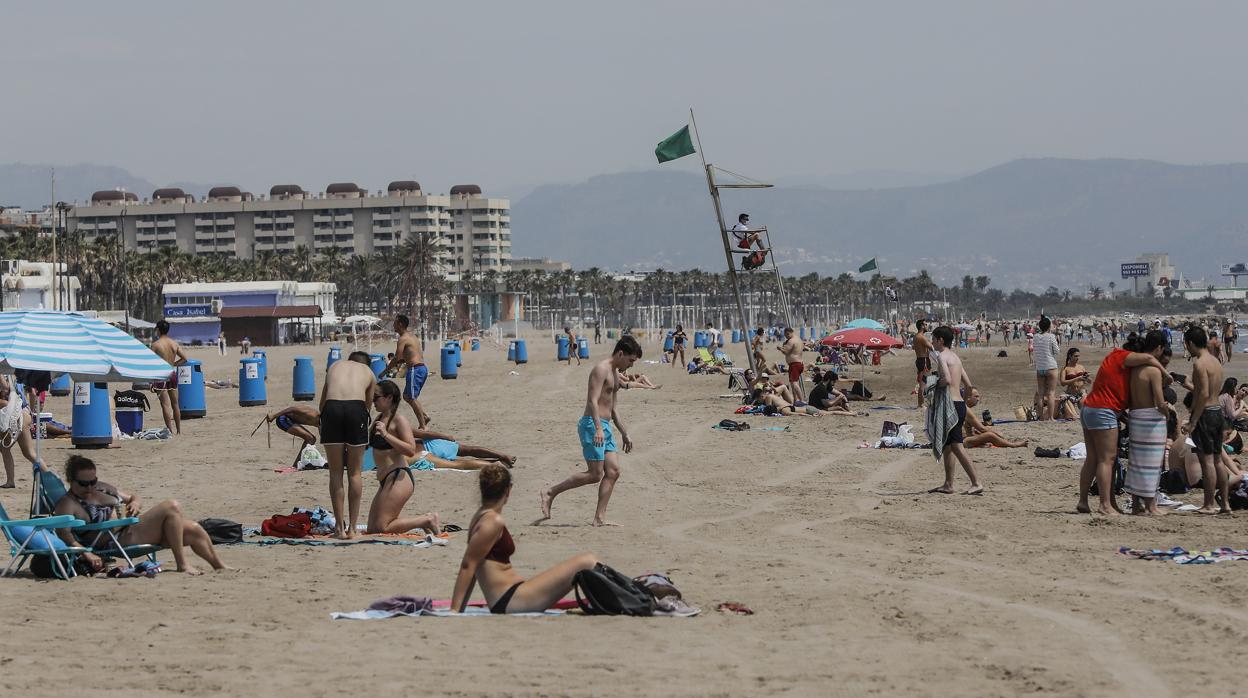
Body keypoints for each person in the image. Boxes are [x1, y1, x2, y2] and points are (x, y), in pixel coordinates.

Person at [453, 465, 599, 614]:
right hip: (510, 600)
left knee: (588, 562)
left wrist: (460, 608)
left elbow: (472, 566)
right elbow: (468, 565)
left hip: (511, 596)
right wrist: (455, 610)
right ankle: (619, 602)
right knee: (587, 561)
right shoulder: (492, 521)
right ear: (508, 490)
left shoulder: (480, 516)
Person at [52, 455, 228, 575]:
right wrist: (87, 554)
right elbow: (64, 534)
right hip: (116, 540)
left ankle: (219, 566)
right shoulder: (68, 503)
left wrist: (135, 503)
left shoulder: (101, 488)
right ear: (71, 480)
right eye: (84, 484)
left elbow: (133, 497)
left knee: (193, 529)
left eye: (93, 481)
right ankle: (182, 564)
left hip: (131, 529)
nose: (90, 488)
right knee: (171, 506)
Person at [539, 336, 640, 526]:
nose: (631, 365)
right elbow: (592, 401)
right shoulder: (601, 369)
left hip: (605, 427)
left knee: (613, 471)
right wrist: (599, 429)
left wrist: (624, 433)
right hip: (592, 425)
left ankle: (599, 518)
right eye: (631, 360)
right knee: (595, 474)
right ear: (620, 353)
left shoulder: (615, 373)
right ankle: (551, 491)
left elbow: (613, 408)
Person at [1076, 331, 1168, 515]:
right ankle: (1104, 505)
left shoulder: (1113, 358)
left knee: (1094, 458)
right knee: (1107, 459)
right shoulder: (1123, 356)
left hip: (1090, 409)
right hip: (1103, 410)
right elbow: (1149, 358)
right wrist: (1166, 374)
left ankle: (1084, 501)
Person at [365, 380, 442, 535]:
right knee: (373, 528)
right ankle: (425, 522)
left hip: (399, 476)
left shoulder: (399, 420)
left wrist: (386, 435)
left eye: (376, 397)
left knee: (382, 527)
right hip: (385, 479)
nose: (373, 401)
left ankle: (427, 520)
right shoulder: (379, 419)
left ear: (389, 398)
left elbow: (410, 449)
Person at [318, 350, 377, 538]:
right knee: (355, 472)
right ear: (366, 364)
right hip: (356, 409)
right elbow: (368, 407)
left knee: (335, 472)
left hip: (332, 408)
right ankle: (352, 529)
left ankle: (338, 529)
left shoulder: (334, 366)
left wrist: (325, 424)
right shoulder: (369, 373)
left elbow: (322, 404)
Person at [927, 326, 983, 495]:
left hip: (948, 405)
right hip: (958, 404)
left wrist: (932, 384)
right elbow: (968, 385)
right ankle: (948, 484)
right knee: (948, 445)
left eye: (934, 339)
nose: (932, 342)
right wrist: (964, 403)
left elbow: (947, 379)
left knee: (957, 446)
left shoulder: (941, 356)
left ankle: (976, 482)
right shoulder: (956, 358)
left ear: (941, 340)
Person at [1183, 326, 1228, 513]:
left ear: (1191, 343)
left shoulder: (1200, 363)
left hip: (1206, 413)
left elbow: (1202, 394)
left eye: (1187, 344)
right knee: (1218, 460)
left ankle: (1209, 504)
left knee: (1207, 461)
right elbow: (1209, 391)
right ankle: (1224, 504)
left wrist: (1193, 420)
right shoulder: (1216, 362)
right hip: (1218, 412)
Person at [1123, 342, 1169, 516]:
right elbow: (1159, 401)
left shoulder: (1133, 371)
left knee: (1136, 463)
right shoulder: (1153, 371)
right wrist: (1168, 414)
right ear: (1158, 348)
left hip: (1135, 417)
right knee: (1152, 464)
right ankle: (1151, 506)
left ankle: (1136, 505)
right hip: (1151, 419)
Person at [382, 314, 431, 429]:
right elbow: (408, 355)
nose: (393, 325)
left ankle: (423, 425)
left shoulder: (403, 338)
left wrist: (385, 371)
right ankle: (424, 416)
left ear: (400, 324)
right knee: (407, 396)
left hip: (415, 369)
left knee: (411, 397)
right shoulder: (411, 336)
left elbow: (397, 358)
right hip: (421, 368)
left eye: (395, 322)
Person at [149, 319, 188, 436]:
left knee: (165, 405)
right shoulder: (174, 343)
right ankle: (179, 431)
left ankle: (170, 431)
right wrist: (173, 364)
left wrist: (151, 381)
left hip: (161, 375)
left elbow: (150, 363)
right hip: (172, 374)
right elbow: (185, 359)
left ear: (159, 330)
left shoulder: (155, 345)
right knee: (175, 404)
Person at [0, 375, 38, 488]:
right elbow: (33, 393)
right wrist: (31, 411)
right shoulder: (20, 372)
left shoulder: (2, 373)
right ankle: (49, 476)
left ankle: (11, 481)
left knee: (6, 448)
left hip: (12, 414)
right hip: (24, 412)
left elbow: (5, 389)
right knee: (29, 453)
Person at [962, 388, 1027, 448]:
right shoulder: (966, 409)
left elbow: (971, 427)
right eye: (976, 396)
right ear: (968, 397)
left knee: (988, 429)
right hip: (964, 441)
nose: (978, 399)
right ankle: (1013, 445)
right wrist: (998, 435)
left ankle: (983, 443)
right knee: (990, 435)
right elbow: (982, 429)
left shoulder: (963, 407)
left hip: (966, 438)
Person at [1032, 316, 1060, 421]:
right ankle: (1051, 417)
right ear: (1048, 326)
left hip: (1040, 367)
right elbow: (1056, 351)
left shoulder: (1035, 336)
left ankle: (1041, 417)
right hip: (1051, 366)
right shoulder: (1051, 336)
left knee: (1040, 393)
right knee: (1051, 393)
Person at [777, 327, 805, 403]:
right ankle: (795, 400)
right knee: (793, 383)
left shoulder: (791, 341)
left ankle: (802, 400)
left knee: (794, 383)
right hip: (799, 363)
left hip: (795, 364)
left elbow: (786, 352)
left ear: (789, 333)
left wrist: (780, 348)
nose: (786, 336)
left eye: (787, 334)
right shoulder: (798, 339)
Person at [912, 320, 933, 409]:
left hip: (920, 359)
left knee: (923, 381)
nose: (927, 326)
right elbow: (931, 347)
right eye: (925, 324)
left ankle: (921, 403)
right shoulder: (921, 337)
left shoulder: (916, 336)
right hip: (924, 360)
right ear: (922, 326)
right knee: (923, 383)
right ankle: (920, 404)